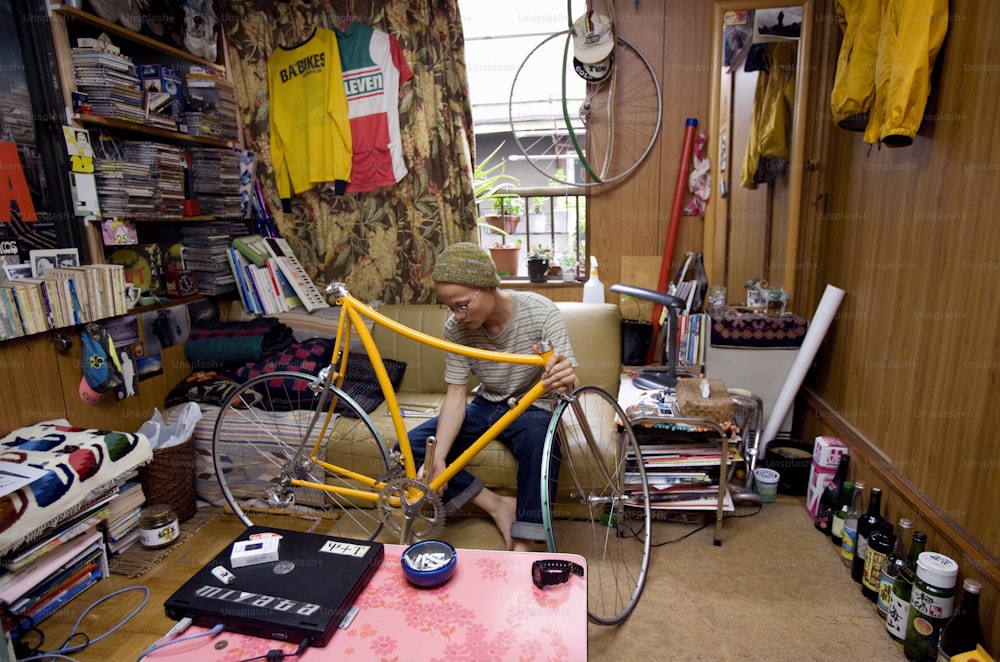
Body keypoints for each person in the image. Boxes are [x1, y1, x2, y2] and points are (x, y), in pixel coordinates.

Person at [406, 242, 579, 552]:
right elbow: (457, 395)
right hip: (488, 403)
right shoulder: (455, 330)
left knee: (540, 437)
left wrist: (565, 378)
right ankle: (497, 505)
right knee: (414, 446)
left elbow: (569, 382)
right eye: (450, 308)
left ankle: (526, 536)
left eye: (462, 305)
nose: (457, 316)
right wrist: (440, 459)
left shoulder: (540, 312)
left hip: (532, 406)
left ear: (489, 286)